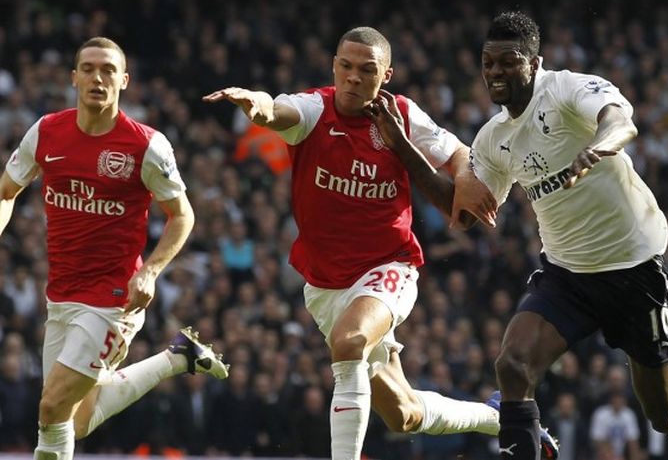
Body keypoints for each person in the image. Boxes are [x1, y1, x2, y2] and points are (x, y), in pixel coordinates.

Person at [204, 26, 558, 460]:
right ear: (334, 66)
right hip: (326, 286)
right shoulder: (315, 109)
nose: (353, 77)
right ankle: (500, 417)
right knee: (402, 414)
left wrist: (465, 179)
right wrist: (256, 105)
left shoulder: (402, 115)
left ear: (385, 75)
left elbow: (459, 153)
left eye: (366, 70)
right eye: (345, 67)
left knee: (350, 341)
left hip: (389, 268)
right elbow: (277, 111)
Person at [365, 10, 668, 460]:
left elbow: (621, 121)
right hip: (567, 275)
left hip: (633, 270)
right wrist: (400, 144)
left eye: (508, 61)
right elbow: (461, 214)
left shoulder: (564, 90)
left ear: (534, 62)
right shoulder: (493, 138)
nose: (495, 73)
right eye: (488, 63)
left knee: (666, 414)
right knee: (512, 366)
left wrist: (598, 146)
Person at [0, 37, 229, 460]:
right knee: (76, 420)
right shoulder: (46, 132)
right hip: (61, 295)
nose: (97, 78)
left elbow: (183, 216)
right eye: (88, 68)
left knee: (51, 409)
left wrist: (151, 271)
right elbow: (6, 192)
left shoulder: (146, 146)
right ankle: (177, 358)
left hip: (114, 299)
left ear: (123, 80)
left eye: (108, 70)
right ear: (73, 78)